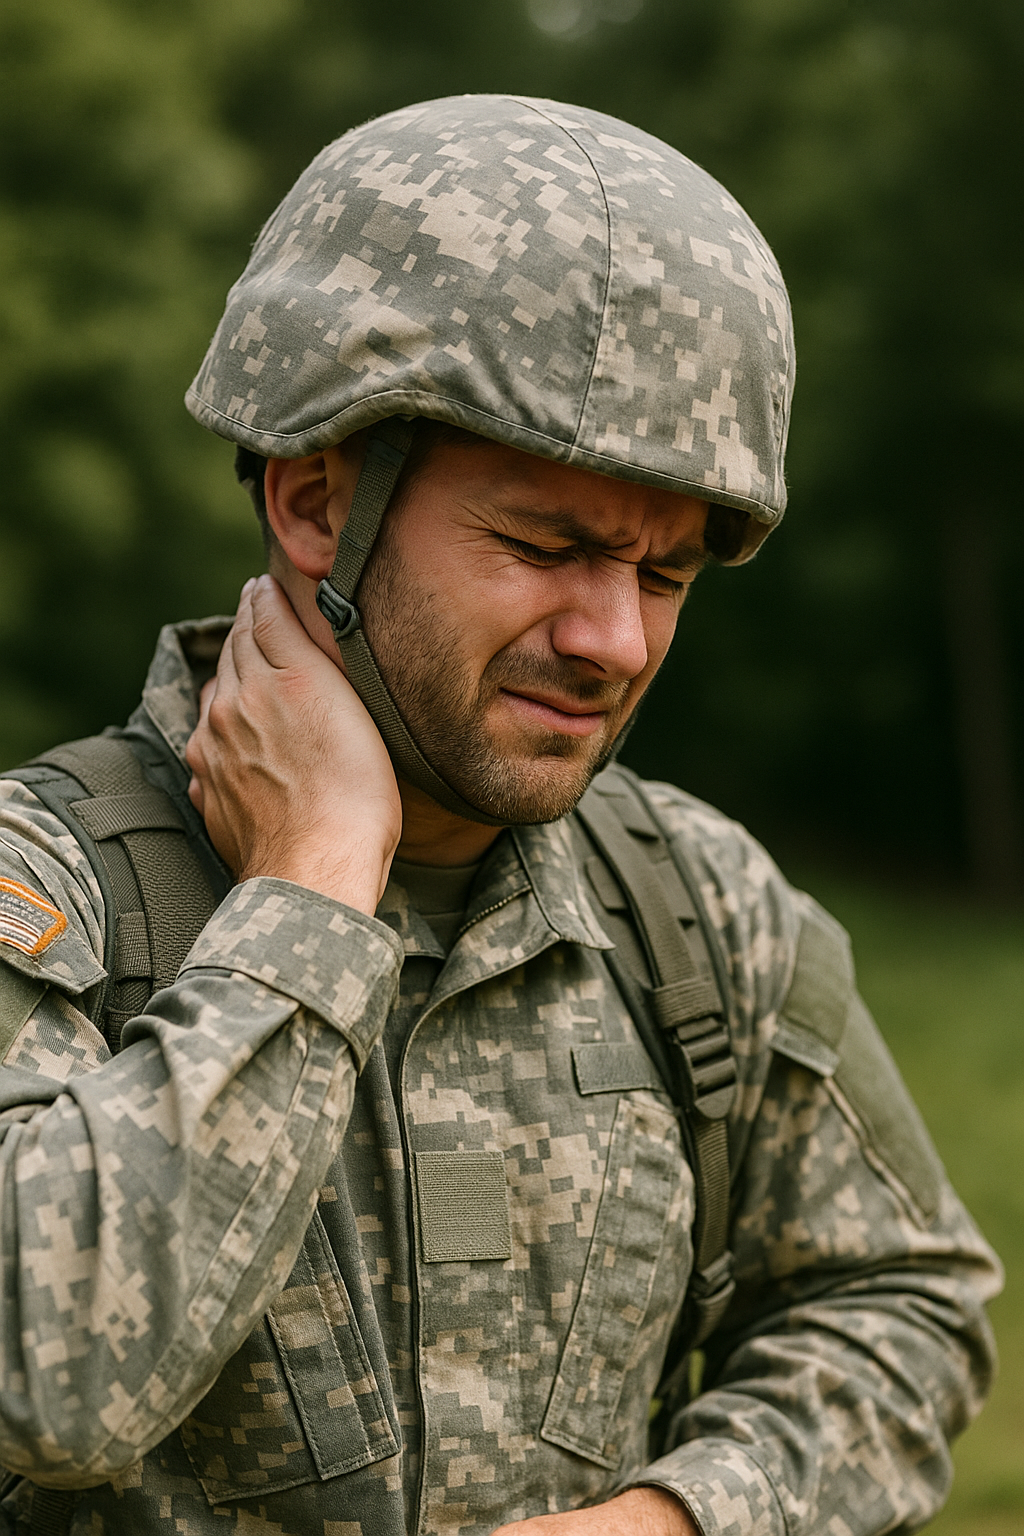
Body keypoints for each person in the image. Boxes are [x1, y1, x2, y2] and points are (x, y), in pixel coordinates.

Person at [0, 95, 1000, 1536]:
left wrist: (677, 1520)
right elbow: (41, 1376)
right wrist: (314, 890)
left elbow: (904, 1305)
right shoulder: (45, 895)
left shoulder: (693, 911)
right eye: (549, 545)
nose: (617, 641)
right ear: (313, 499)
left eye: (665, 576)